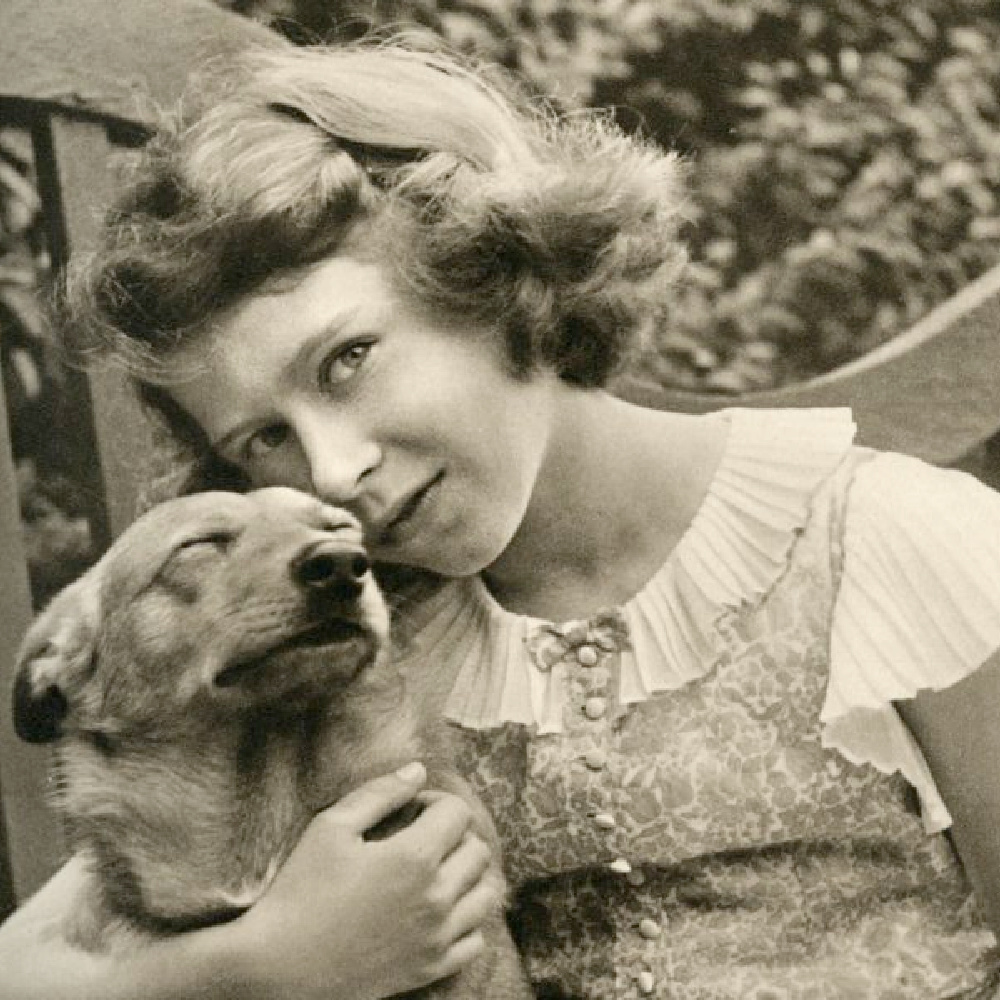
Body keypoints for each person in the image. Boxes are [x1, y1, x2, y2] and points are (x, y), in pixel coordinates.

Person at [3, 34, 1000, 1000]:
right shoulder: (363, 638)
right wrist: (260, 967)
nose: (334, 471)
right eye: (264, 438)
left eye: (347, 359)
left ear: (490, 270)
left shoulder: (887, 543)